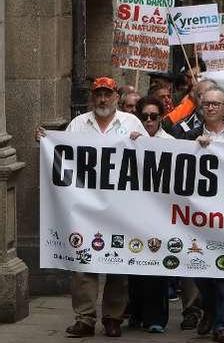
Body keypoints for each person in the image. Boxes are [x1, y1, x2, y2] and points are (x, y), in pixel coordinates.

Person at [35, 77, 147, 338]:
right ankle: (84, 318)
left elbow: (148, 160)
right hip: (85, 209)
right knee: (83, 265)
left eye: (107, 94)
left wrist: (140, 142)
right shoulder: (78, 124)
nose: (102, 99)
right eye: (98, 94)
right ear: (92, 98)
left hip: (121, 209)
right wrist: (46, 139)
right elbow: (62, 153)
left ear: (116, 97)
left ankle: (113, 318)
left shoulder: (132, 123)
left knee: (118, 264)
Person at [181, 86, 224, 343]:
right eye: (206, 103)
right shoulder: (186, 132)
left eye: (216, 104)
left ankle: (222, 325)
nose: (210, 107)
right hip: (195, 217)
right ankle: (209, 310)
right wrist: (190, 147)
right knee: (202, 273)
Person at [127, 96, 173, 333]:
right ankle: (135, 314)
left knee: (156, 268)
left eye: (153, 117)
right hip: (133, 213)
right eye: (144, 117)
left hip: (160, 216)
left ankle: (156, 318)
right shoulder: (129, 140)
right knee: (133, 265)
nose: (148, 121)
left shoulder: (171, 143)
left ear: (161, 117)